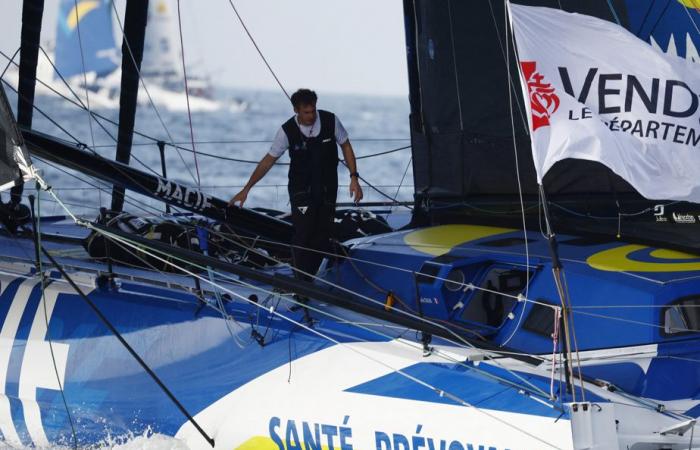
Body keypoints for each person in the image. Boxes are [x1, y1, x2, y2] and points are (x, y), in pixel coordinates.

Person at [229, 89, 363, 281]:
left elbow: (346, 146)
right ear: (296, 110)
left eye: (313, 111)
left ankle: (310, 277)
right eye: (306, 112)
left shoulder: (331, 120)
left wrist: (354, 178)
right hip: (301, 190)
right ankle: (301, 279)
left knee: (322, 234)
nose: (311, 116)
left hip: (327, 188)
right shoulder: (286, 131)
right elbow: (268, 160)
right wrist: (247, 188)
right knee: (303, 233)